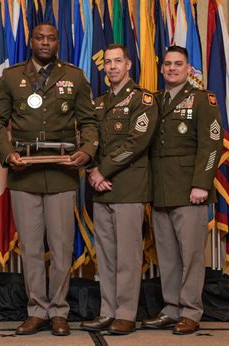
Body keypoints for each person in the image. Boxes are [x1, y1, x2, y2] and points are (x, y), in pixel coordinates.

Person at [0, 23, 98, 336]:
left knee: (62, 248)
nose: (45, 42)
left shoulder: (74, 76)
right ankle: (37, 310)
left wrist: (88, 151)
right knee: (32, 248)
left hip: (62, 174)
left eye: (51, 37)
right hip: (24, 176)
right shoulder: (11, 77)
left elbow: (89, 122)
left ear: (58, 42)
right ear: (30, 40)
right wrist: (8, 154)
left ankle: (60, 311)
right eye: (40, 37)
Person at [142, 46, 223, 335]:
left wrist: (202, 183)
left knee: (191, 256)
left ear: (188, 69)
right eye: (167, 64)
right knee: (167, 256)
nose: (172, 68)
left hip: (191, 191)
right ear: (161, 68)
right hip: (161, 190)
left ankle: (190, 311)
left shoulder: (202, 100)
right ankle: (171, 308)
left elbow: (212, 144)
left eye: (178, 64)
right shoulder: (154, 100)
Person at [80, 44, 158, 335]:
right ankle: (107, 311)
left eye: (118, 61)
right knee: (107, 255)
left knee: (127, 256)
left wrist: (103, 170)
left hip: (127, 187)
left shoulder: (143, 100)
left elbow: (136, 143)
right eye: (108, 62)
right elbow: (91, 141)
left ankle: (125, 313)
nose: (112, 67)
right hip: (101, 188)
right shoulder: (99, 103)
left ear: (128, 65)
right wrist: (92, 172)